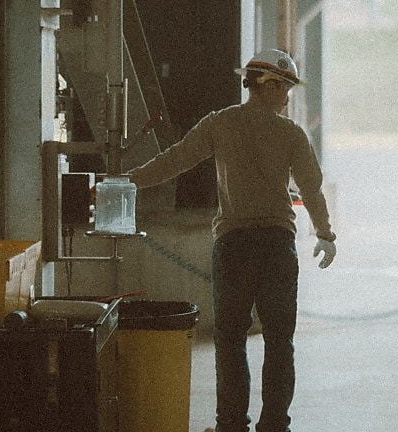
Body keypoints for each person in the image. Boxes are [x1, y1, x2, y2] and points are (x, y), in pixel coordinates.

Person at [128, 48, 336, 432]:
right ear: (268, 85)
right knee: (278, 342)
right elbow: (312, 188)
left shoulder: (219, 124)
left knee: (230, 342)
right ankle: (275, 425)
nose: (288, 97)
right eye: (285, 88)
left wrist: (128, 180)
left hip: (234, 247)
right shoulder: (290, 133)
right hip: (277, 248)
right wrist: (325, 234)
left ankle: (231, 426)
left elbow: (175, 160)